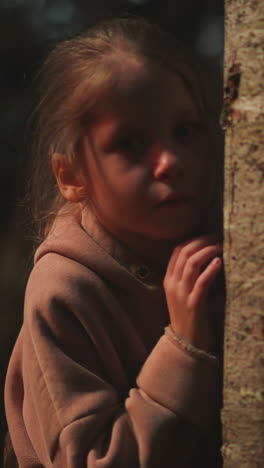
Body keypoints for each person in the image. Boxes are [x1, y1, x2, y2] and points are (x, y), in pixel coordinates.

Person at [4, 17, 224, 468]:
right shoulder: (62, 291)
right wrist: (184, 346)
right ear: (70, 176)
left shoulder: (228, 237)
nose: (170, 161)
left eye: (185, 131)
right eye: (129, 143)